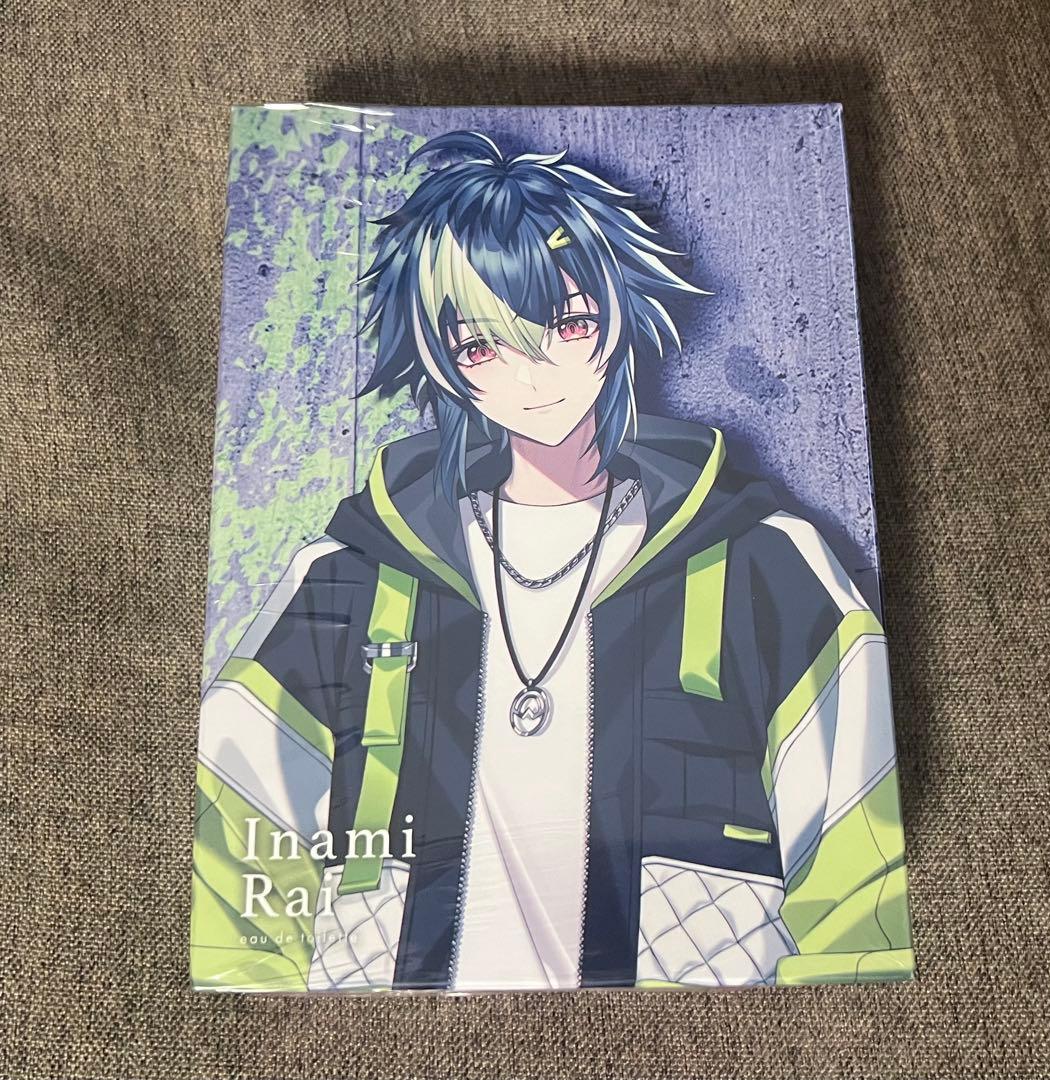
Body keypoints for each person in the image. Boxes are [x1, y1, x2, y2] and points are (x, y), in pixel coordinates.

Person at [191, 130, 914, 992]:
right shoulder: (349, 577)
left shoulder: (764, 563)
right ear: (438, 361)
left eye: (569, 325)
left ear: (619, 318)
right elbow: (232, 846)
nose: (535, 374)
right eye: (481, 345)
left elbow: (862, 875)